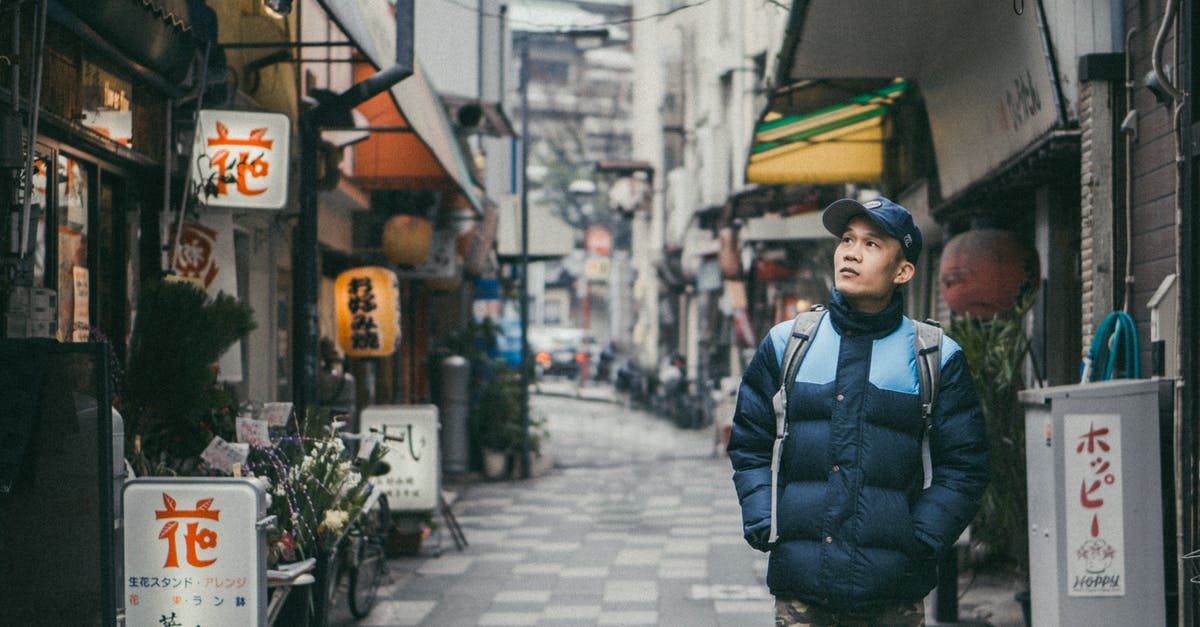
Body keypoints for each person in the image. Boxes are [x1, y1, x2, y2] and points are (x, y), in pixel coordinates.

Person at [728, 197, 989, 626]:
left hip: (892, 593)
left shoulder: (934, 356)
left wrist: (919, 538)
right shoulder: (788, 343)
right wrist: (764, 516)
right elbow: (749, 443)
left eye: (871, 244)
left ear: (903, 271)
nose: (851, 251)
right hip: (802, 589)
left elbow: (966, 466)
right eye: (847, 239)